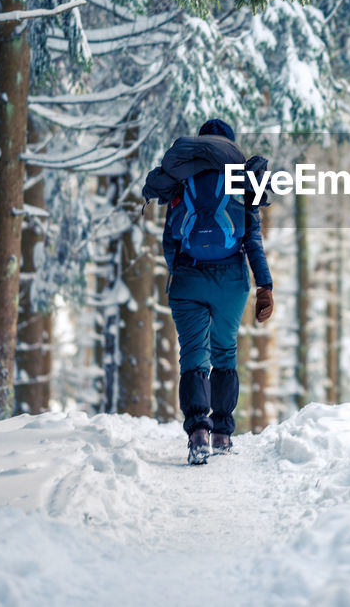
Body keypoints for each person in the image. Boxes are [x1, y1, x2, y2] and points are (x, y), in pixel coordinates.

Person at [142, 119, 274, 465]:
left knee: (193, 355)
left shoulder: (182, 176)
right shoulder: (240, 178)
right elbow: (252, 241)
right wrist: (265, 287)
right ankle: (222, 433)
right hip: (231, 279)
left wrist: (179, 272)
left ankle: (197, 431)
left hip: (188, 276)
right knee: (224, 352)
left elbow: (170, 238)